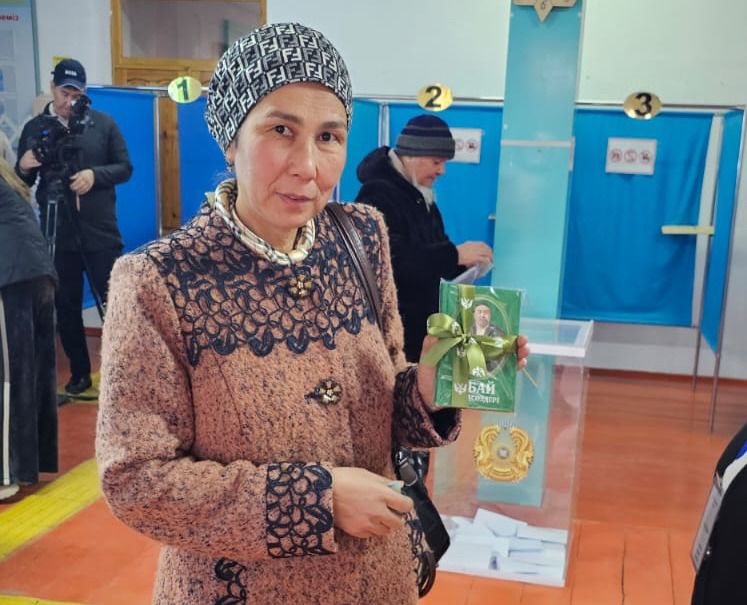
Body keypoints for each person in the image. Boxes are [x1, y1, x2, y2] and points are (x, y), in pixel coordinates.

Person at [95, 22, 529, 604]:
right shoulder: (160, 280)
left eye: (329, 136)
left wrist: (427, 389)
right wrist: (316, 501)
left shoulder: (362, 236)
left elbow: (381, 405)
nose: (307, 164)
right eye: (281, 130)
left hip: (378, 582)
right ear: (231, 139)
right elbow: (136, 480)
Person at [15, 58, 133, 395]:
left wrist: (95, 175)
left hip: (100, 231)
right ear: (52, 88)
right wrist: (23, 165)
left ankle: (122, 372)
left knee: (113, 302)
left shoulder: (103, 124)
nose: (69, 101)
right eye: (65, 93)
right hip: (59, 232)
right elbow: (23, 181)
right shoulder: (35, 128)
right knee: (66, 305)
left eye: (76, 95)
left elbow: (125, 167)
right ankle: (79, 372)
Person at [354, 114, 494, 362]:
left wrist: (465, 266)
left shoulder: (422, 197)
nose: (442, 171)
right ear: (411, 155)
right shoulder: (377, 194)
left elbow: (434, 255)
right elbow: (388, 261)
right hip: (393, 338)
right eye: (436, 162)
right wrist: (455, 255)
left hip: (424, 332)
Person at [0, 157, 57, 500]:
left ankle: (7, 475)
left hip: (12, 278)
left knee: (8, 377)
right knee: (31, 372)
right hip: (36, 276)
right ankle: (27, 466)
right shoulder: (8, 180)